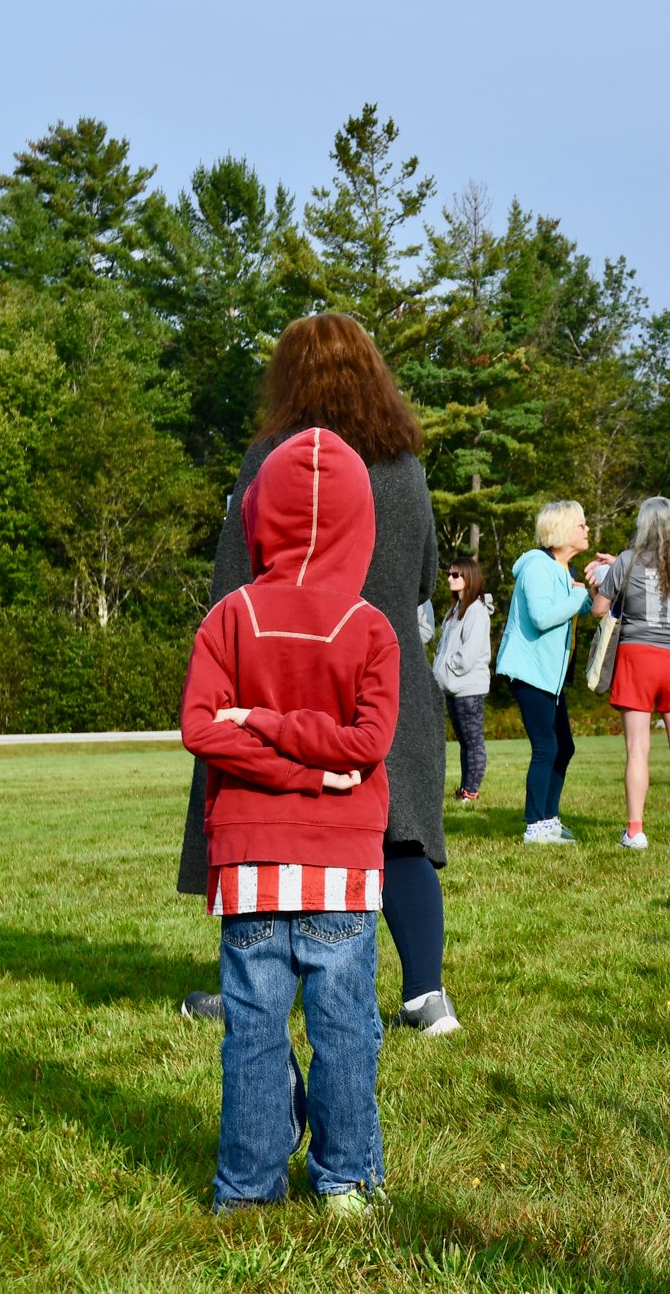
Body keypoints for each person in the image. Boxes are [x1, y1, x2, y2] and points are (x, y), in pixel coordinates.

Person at [179, 314, 457, 1038]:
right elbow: (426, 577)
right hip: (383, 666)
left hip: (281, 669)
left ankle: (250, 984)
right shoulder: (404, 465)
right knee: (401, 834)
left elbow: (233, 576)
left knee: (266, 825)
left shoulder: (269, 460)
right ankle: (426, 994)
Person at [179, 426, 397, 1216]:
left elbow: (206, 729)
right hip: (343, 863)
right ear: (362, 523)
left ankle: (245, 1185)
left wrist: (264, 726)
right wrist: (313, 765)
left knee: (253, 1032)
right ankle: (344, 1178)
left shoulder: (229, 615)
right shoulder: (372, 627)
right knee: (345, 1032)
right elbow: (367, 745)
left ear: (257, 518)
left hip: (246, 865)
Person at [589, 497, 670, 849]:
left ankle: (635, 830)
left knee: (637, 748)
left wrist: (601, 584)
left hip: (637, 656)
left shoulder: (627, 562)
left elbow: (600, 610)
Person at [495, 500, 594, 845]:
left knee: (563, 747)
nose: (587, 530)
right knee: (547, 748)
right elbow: (541, 616)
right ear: (562, 530)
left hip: (550, 677)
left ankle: (549, 821)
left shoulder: (566, 572)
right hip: (529, 672)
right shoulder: (537, 566)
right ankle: (535, 826)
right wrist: (581, 598)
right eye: (581, 525)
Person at [432, 556, 493, 802]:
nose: (450, 578)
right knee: (465, 743)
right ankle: (465, 788)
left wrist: (447, 668)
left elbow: (467, 655)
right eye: (449, 574)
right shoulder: (454, 610)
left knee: (473, 741)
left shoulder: (476, 611)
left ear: (469, 578)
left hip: (468, 688)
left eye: (455, 575)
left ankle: (471, 791)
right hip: (454, 688)